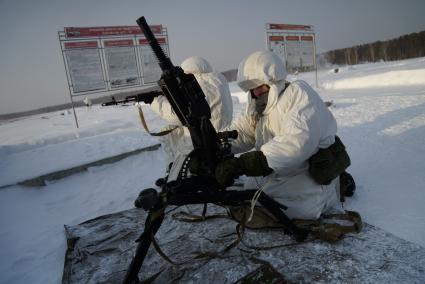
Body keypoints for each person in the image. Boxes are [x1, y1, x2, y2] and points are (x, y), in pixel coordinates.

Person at [215, 51, 348, 220]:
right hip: (280, 167)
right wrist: (217, 146)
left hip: (307, 167)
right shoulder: (259, 104)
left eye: (259, 87)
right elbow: (244, 132)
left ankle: (336, 186)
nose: (255, 94)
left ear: (274, 81)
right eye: (251, 90)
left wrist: (245, 163)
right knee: (251, 191)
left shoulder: (299, 95)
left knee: (293, 209)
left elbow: (295, 144)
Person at [146, 56, 233, 178]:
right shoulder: (216, 80)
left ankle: (176, 175)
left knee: (172, 136)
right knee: (171, 131)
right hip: (216, 129)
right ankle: (172, 169)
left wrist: (155, 101)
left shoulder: (201, 84)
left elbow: (177, 114)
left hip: (204, 135)